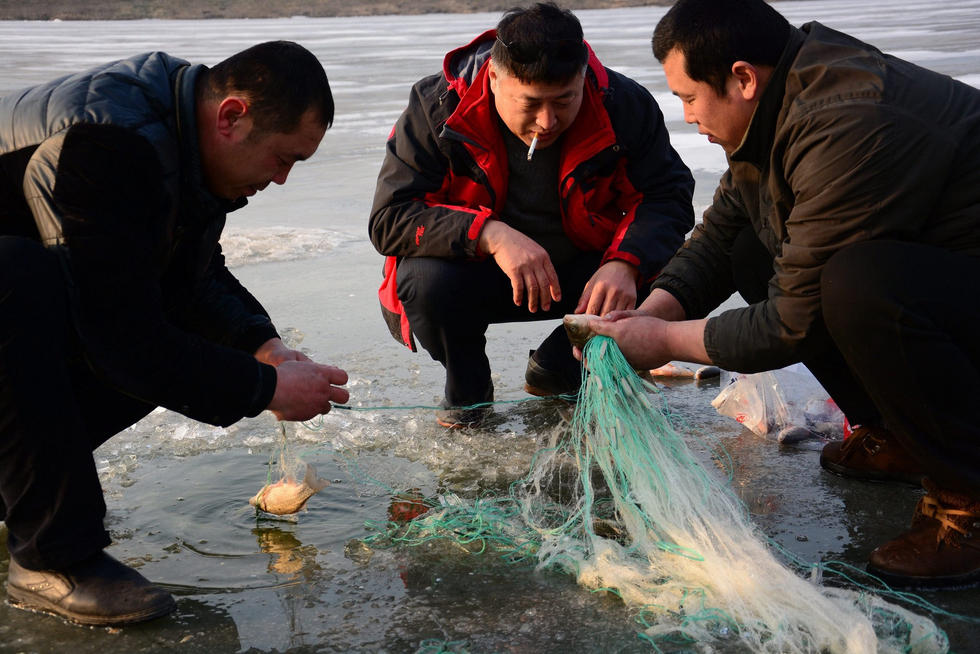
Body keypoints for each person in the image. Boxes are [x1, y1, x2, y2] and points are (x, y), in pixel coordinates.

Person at [585, 0, 980, 587]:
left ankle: (968, 500)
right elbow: (723, 234)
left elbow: (791, 322)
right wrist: (651, 311)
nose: (686, 115)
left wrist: (664, 340)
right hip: (949, 278)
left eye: (689, 97)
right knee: (755, 247)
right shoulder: (779, 105)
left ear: (743, 78)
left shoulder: (846, 121)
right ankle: (898, 436)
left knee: (857, 285)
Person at [0, 41, 350, 625]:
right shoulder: (107, 145)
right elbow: (120, 340)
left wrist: (261, 346)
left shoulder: (182, 143)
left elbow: (189, 277)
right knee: (16, 279)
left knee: (159, 334)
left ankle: (20, 488)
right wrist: (264, 390)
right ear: (232, 116)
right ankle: (53, 558)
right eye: (284, 158)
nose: (284, 180)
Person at [368, 2, 694, 428]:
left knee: (682, 268)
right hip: (477, 276)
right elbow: (389, 218)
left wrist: (624, 264)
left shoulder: (622, 103)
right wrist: (490, 234)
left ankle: (561, 363)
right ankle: (468, 389)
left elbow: (667, 197)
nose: (547, 121)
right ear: (495, 77)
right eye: (531, 103)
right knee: (425, 281)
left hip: (586, 278)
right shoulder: (438, 108)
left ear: (582, 78)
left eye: (564, 100)